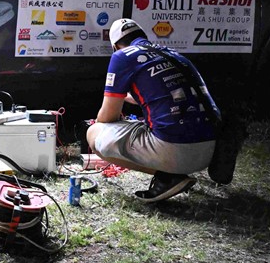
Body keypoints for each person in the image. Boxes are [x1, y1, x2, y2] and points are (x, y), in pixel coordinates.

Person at [86, 18, 220, 203]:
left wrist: (107, 106)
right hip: (211, 147)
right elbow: (165, 94)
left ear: (116, 45)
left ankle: (167, 177)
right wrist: (121, 95)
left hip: (176, 151)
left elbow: (108, 117)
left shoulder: (122, 56)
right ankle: (176, 169)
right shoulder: (173, 54)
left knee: (94, 133)